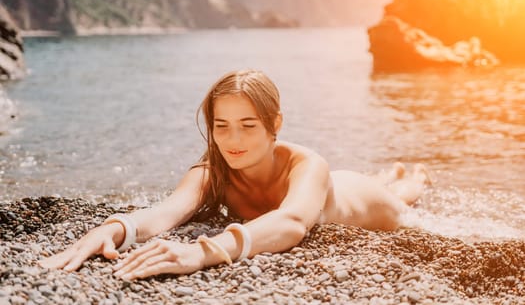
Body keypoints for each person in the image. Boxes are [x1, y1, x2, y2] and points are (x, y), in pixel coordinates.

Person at [40, 70, 431, 280]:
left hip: (360, 197)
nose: (233, 140)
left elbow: (293, 222)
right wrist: (115, 228)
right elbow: (168, 210)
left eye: (248, 125)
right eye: (221, 125)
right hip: (326, 191)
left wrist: (202, 251)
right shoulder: (214, 168)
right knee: (389, 180)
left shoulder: (308, 164)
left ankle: (410, 178)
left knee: (405, 195)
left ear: (274, 123)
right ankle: (392, 174)